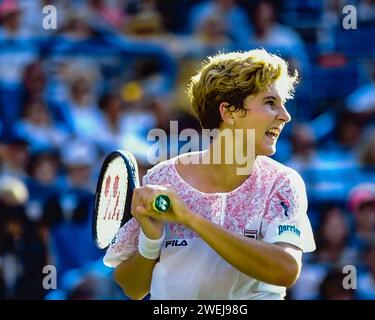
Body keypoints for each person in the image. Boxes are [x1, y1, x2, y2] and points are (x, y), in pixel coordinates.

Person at [104, 49, 316, 300]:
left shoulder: (281, 183)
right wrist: (151, 241)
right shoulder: (162, 178)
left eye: (282, 104)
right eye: (270, 103)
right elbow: (133, 289)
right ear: (229, 112)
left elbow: (286, 270)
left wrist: (190, 219)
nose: (285, 115)